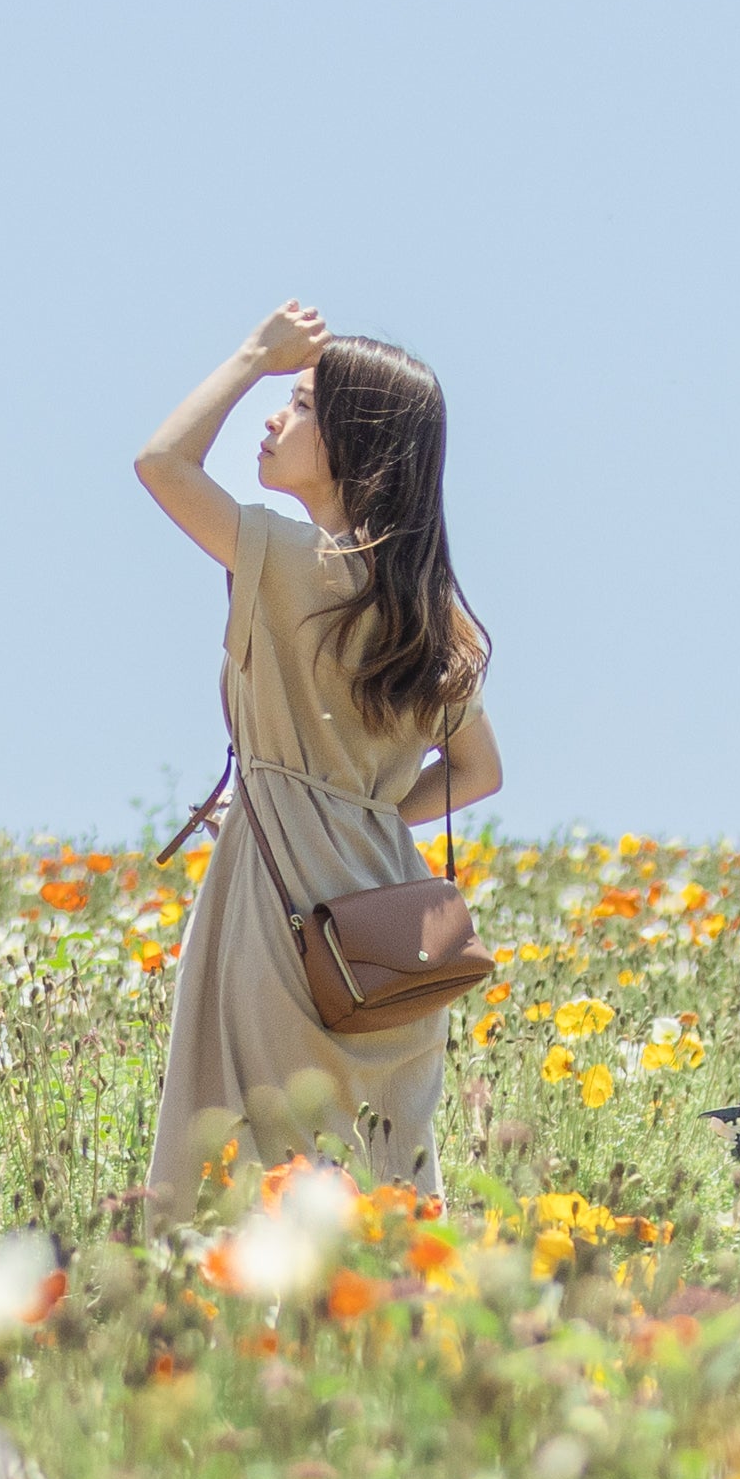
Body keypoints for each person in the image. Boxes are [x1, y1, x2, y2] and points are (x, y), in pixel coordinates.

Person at [134, 303, 501, 1207]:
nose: (274, 416)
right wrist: (357, 810)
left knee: (257, 1165)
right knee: (380, 1174)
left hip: (286, 907)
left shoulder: (291, 557)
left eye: (300, 405)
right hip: (390, 924)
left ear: (356, 442)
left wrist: (252, 355)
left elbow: (161, 463)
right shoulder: (428, 608)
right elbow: (479, 772)